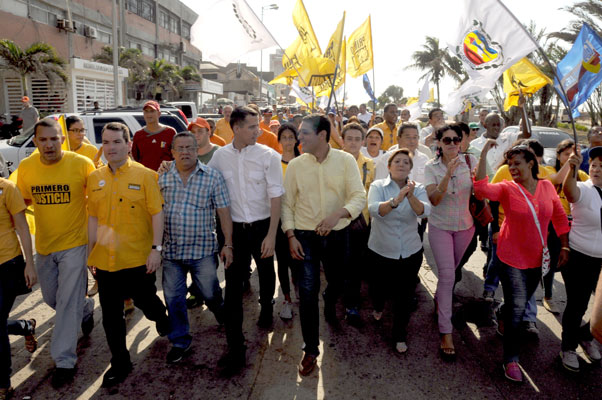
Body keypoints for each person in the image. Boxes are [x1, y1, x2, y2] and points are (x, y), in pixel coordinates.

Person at [474, 141, 569, 382]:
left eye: (517, 163)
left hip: (538, 258)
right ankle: (511, 359)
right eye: (509, 164)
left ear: (531, 163)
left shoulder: (547, 187)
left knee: (519, 301)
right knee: (518, 308)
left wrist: (565, 244)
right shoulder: (506, 188)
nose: (512, 167)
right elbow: (481, 190)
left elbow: (558, 216)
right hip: (511, 257)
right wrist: (484, 153)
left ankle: (502, 312)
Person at [87, 122, 170, 387]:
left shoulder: (145, 176)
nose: (111, 148)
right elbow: (92, 218)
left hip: (137, 259)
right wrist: (91, 254)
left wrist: (156, 249)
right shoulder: (94, 178)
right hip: (106, 261)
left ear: (129, 145)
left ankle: (161, 318)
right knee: (111, 317)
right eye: (106, 142)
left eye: (116, 142)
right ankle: (120, 362)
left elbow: (157, 213)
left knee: (147, 302)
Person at [282, 114, 366, 376]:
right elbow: (287, 203)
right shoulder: (296, 165)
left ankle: (331, 299)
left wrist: (338, 214)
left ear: (321, 135)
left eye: (304, 133)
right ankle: (310, 349)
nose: (299, 138)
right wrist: (291, 235)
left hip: (339, 234)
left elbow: (358, 196)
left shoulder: (345, 160)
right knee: (307, 292)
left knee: (337, 283)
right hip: (305, 237)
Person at [16, 118, 95, 388]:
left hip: (75, 244)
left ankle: (64, 360)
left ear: (63, 139)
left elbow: (97, 203)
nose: (49, 145)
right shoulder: (26, 168)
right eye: (43, 140)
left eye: (54, 139)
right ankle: (85, 309)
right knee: (53, 298)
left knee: (65, 302)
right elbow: (22, 201)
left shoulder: (81, 164)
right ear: (35, 142)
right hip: (45, 247)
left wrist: (97, 246)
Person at [208, 106, 284, 376]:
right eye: (252, 127)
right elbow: (207, 184)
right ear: (235, 128)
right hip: (234, 232)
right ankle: (235, 347)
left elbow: (276, 196)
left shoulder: (269, 156)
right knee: (233, 288)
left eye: (258, 126)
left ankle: (266, 307)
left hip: (264, 225)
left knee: (265, 272)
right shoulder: (220, 157)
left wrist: (272, 235)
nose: (258, 130)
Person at [159, 132, 231, 364]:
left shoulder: (212, 176)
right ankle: (180, 340)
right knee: (173, 298)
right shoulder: (161, 178)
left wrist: (228, 244)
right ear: (172, 152)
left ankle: (222, 313)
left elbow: (223, 213)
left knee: (210, 292)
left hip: (203, 250)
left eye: (190, 147)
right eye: (179, 148)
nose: (185, 152)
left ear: (197, 149)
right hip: (172, 251)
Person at [367, 149, 430, 353]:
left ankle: (400, 334)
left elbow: (423, 211)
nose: (401, 164)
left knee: (405, 295)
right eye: (397, 161)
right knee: (379, 287)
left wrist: (409, 196)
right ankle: (377, 305)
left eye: (406, 162)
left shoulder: (417, 188)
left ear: (410, 168)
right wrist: (396, 200)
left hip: (409, 251)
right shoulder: (378, 186)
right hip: (381, 250)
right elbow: (375, 210)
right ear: (389, 166)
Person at [424, 124, 476, 361]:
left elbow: (483, 189)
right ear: (439, 144)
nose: (453, 143)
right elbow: (434, 200)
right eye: (447, 140)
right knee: (447, 277)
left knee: (451, 273)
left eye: (456, 139)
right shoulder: (430, 167)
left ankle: (439, 300)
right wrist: (448, 174)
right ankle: (446, 332)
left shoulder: (471, 163)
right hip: (440, 227)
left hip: (465, 227)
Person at [559, 147, 602, 372]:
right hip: (578, 257)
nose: (596, 169)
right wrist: (572, 168)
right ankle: (568, 348)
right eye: (594, 164)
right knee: (578, 304)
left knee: (599, 309)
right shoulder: (584, 189)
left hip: (600, 263)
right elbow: (569, 191)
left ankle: (586, 336)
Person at [0, 177, 37, 398]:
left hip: (7, 265)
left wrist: (29, 264)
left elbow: (22, 227)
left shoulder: (7, 189)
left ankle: (3, 382)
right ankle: (24, 326)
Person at [341, 122, 375, 326]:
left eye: (357, 139)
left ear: (363, 142)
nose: (353, 143)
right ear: (342, 141)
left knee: (355, 265)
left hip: (361, 223)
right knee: (338, 264)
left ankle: (351, 304)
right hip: (337, 220)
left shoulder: (370, 164)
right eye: (349, 139)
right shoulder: (331, 162)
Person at [275, 123, 301, 320]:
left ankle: (299, 288)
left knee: (299, 260)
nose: (288, 141)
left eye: (291, 137)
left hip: (301, 220)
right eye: (284, 137)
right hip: (278, 221)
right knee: (283, 261)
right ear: (280, 140)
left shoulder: (305, 162)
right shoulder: (274, 163)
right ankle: (286, 299)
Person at [131, 100, 176, 171]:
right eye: (146, 111)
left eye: (152, 111)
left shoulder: (170, 132)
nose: (149, 114)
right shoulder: (138, 135)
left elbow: (176, 156)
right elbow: (135, 159)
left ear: (159, 113)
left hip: (166, 177)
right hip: (145, 177)